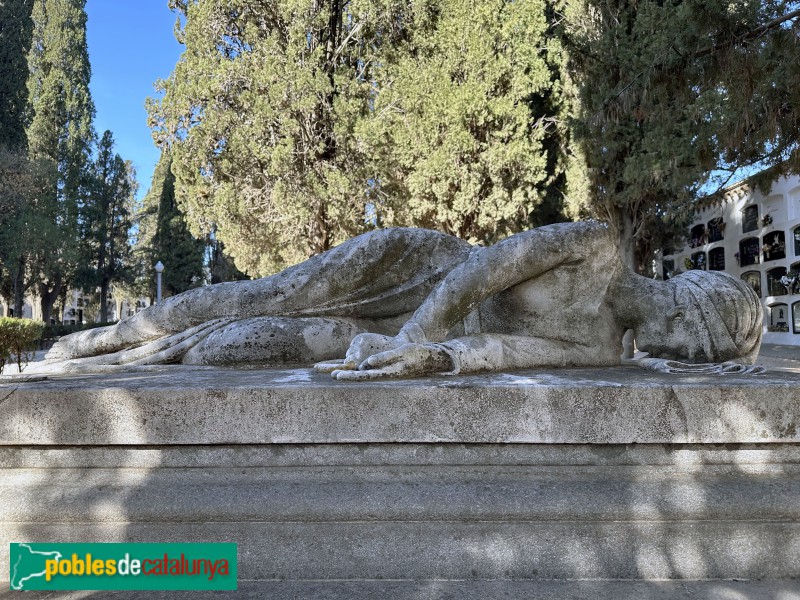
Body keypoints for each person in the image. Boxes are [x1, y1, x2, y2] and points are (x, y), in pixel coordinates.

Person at [40, 222, 762, 378]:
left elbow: (505, 349)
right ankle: (97, 340)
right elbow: (482, 271)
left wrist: (432, 357)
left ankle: (152, 349)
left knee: (245, 343)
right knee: (269, 292)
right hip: (421, 273)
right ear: (687, 301)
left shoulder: (607, 349)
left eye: (694, 357)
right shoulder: (601, 246)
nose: (679, 352)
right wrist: (418, 330)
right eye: (692, 339)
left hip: (412, 333)